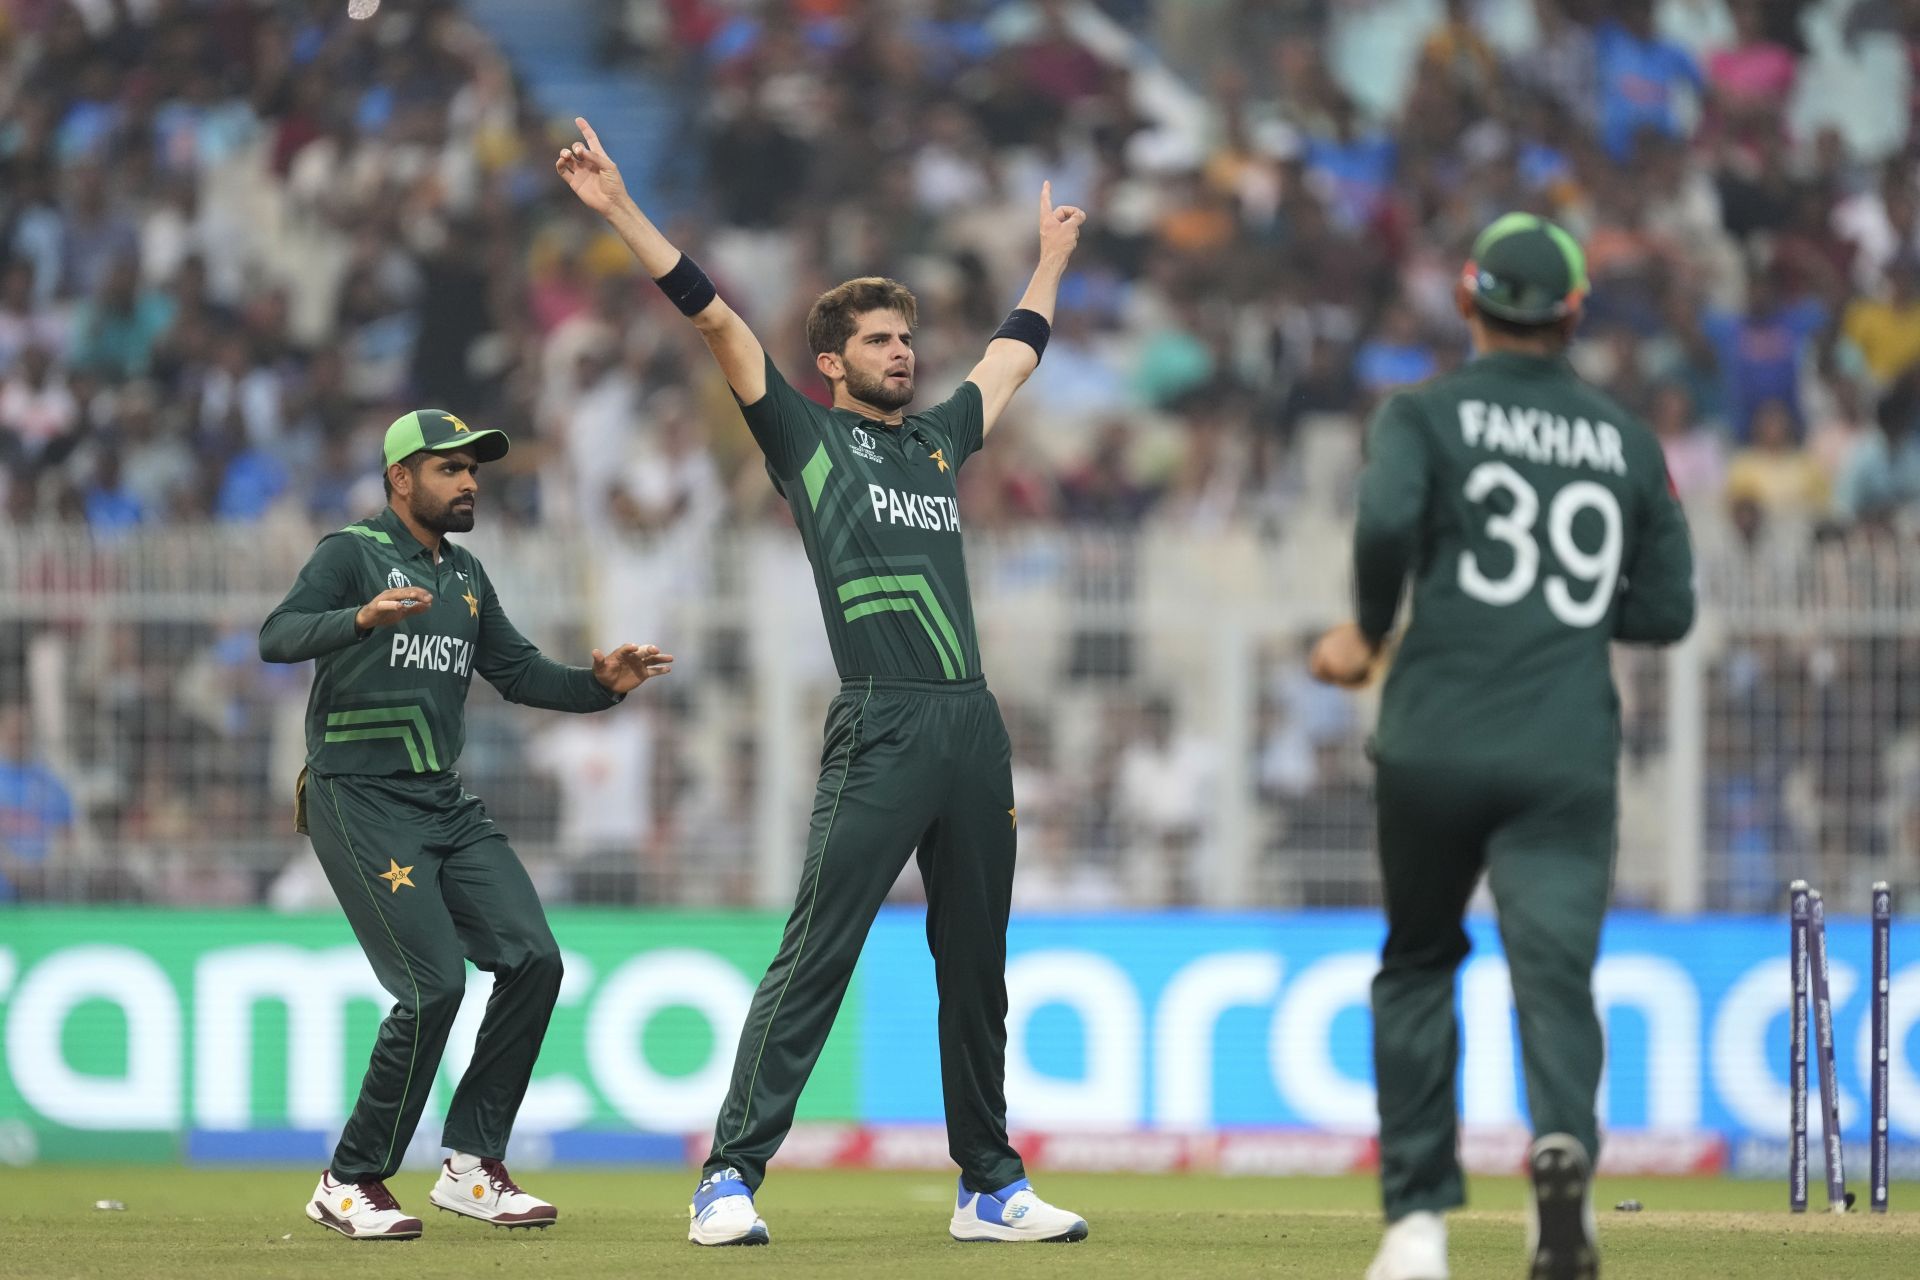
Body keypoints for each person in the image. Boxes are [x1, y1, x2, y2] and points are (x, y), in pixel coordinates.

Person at [556, 115, 1089, 1248]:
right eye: (881, 339)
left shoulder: (940, 439)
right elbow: (713, 316)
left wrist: (1049, 260)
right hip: (884, 723)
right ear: (833, 363)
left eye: (908, 335)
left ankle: (988, 1183)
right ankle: (727, 1177)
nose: (905, 351)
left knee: (976, 962)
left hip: (971, 722)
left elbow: (1013, 354)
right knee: (819, 949)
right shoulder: (804, 438)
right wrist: (618, 210)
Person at [1309, 214, 1695, 1280]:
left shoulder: (1422, 416)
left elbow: (1386, 525)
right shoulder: (1627, 439)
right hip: (1565, 746)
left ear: (1470, 302)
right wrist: (1554, 619)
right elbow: (1665, 611)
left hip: (1432, 733)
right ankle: (1561, 1153)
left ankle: (1418, 1226)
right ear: (1574, 311)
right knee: (1555, 974)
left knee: (1420, 960)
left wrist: (1372, 630)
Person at [259, 408, 672, 1241]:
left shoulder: (467, 574)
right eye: (450, 469)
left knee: (535, 959)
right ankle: (348, 1179)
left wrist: (603, 687)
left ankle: (472, 1166)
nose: (471, 481)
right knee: (433, 985)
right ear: (401, 478)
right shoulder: (351, 554)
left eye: (474, 469)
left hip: (442, 801)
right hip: (359, 797)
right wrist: (361, 620)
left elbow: (518, 674)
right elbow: (276, 637)